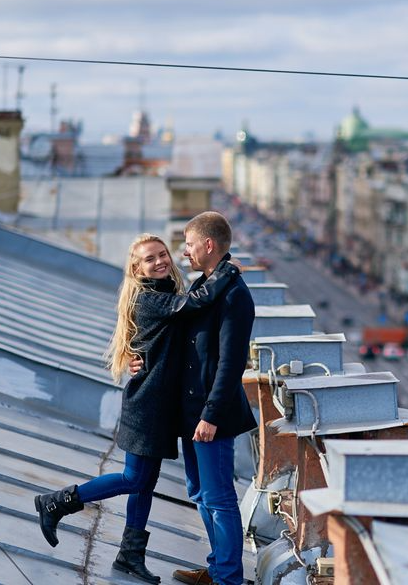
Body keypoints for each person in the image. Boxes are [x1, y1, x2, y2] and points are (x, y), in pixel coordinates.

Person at [34, 233, 238, 584]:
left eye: (163, 255)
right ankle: (58, 502)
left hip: (160, 406)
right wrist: (227, 271)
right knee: (135, 478)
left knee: (146, 483)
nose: (160, 261)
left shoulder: (166, 292)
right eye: (150, 258)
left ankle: (129, 557)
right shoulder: (148, 299)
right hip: (147, 406)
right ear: (136, 267)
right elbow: (195, 304)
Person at [161, 212, 256, 585]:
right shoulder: (207, 286)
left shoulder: (233, 295)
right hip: (192, 412)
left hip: (211, 416)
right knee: (199, 492)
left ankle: (229, 578)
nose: (184, 252)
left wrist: (211, 415)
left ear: (208, 245)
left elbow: (232, 364)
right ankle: (218, 568)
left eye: (189, 244)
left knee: (219, 498)